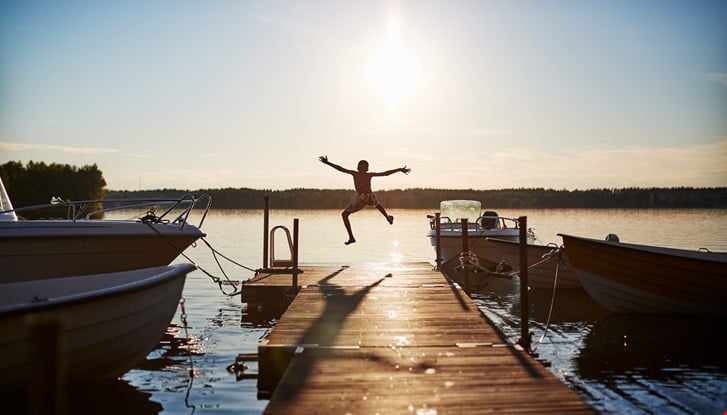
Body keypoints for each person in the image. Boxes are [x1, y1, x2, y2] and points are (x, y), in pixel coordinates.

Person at [319, 155, 411, 245]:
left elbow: (340, 168)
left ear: (358, 167)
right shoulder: (369, 175)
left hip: (361, 198)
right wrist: (399, 169)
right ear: (367, 169)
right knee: (377, 204)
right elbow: (385, 173)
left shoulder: (355, 173)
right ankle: (387, 217)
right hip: (369, 196)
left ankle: (351, 237)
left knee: (344, 214)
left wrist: (327, 163)